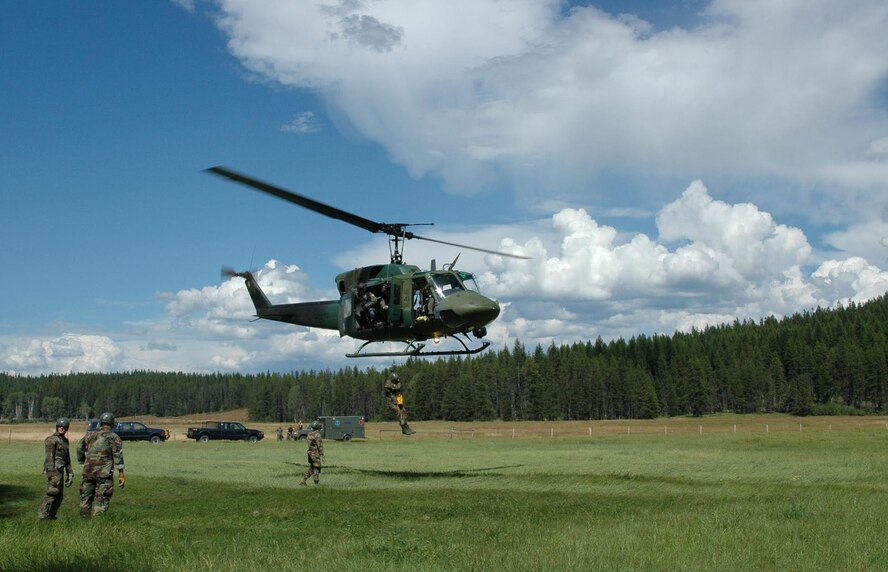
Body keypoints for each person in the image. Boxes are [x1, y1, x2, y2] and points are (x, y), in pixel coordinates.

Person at [77, 411, 125, 518]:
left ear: (101, 423)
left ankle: (83, 523)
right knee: (101, 501)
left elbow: (79, 447)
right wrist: (121, 474)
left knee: (85, 499)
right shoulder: (114, 437)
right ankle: (97, 525)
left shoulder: (89, 435)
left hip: (88, 473)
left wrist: (82, 460)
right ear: (112, 423)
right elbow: (118, 456)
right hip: (104, 475)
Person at [37, 417, 73, 520]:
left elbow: (67, 458)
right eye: (60, 426)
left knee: (59, 496)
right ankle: (42, 516)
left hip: (61, 471)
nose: (62, 428)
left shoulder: (65, 441)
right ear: (56, 427)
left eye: (64, 427)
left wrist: (70, 472)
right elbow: (49, 458)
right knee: (52, 493)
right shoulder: (51, 440)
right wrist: (51, 474)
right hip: (54, 471)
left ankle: (51, 516)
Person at [300, 421, 324, 486]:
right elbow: (320, 446)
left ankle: (303, 481)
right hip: (315, 454)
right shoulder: (317, 435)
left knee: (312, 468)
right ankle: (316, 483)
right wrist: (322, 455)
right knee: (317, 468)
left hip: (310, 453)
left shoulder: (310, 434)